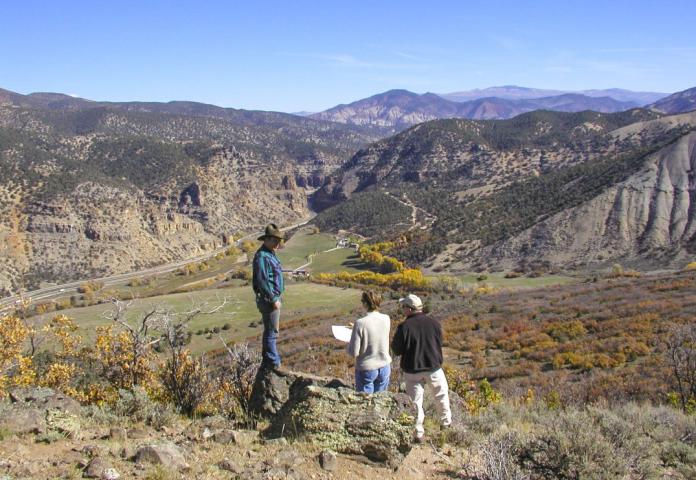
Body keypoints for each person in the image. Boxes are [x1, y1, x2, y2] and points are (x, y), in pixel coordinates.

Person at [391, 293, 452, 443]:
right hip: (433, 367)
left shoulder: (404, 327)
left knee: (415, 401)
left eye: (403, 306)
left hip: (412, 370)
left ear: (409, 309)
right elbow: (440, 342)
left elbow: (396, 350)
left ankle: (418, 433)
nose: (402, 309)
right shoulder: (434, 323)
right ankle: (446, 425)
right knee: (441, 396)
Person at [252, 223, 285, 369]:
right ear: (268, 239)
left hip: (272, 298)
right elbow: (262, 281)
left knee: (269, 330)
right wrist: (273, 299)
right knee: (272, 331)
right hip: (269, 300)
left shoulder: (269, 254)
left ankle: (267, 360)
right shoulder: (262, 256)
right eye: (276, 240)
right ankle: (274, 363)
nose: (279, 243)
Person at [347, 291, 392, 393]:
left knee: (365, 404)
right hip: (385, 366)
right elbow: (376, 331)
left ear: (366, 303)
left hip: (367, 368)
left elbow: (354, 352)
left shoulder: (360, 323)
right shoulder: (386, 318)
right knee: (380, 403)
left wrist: (352, 336)